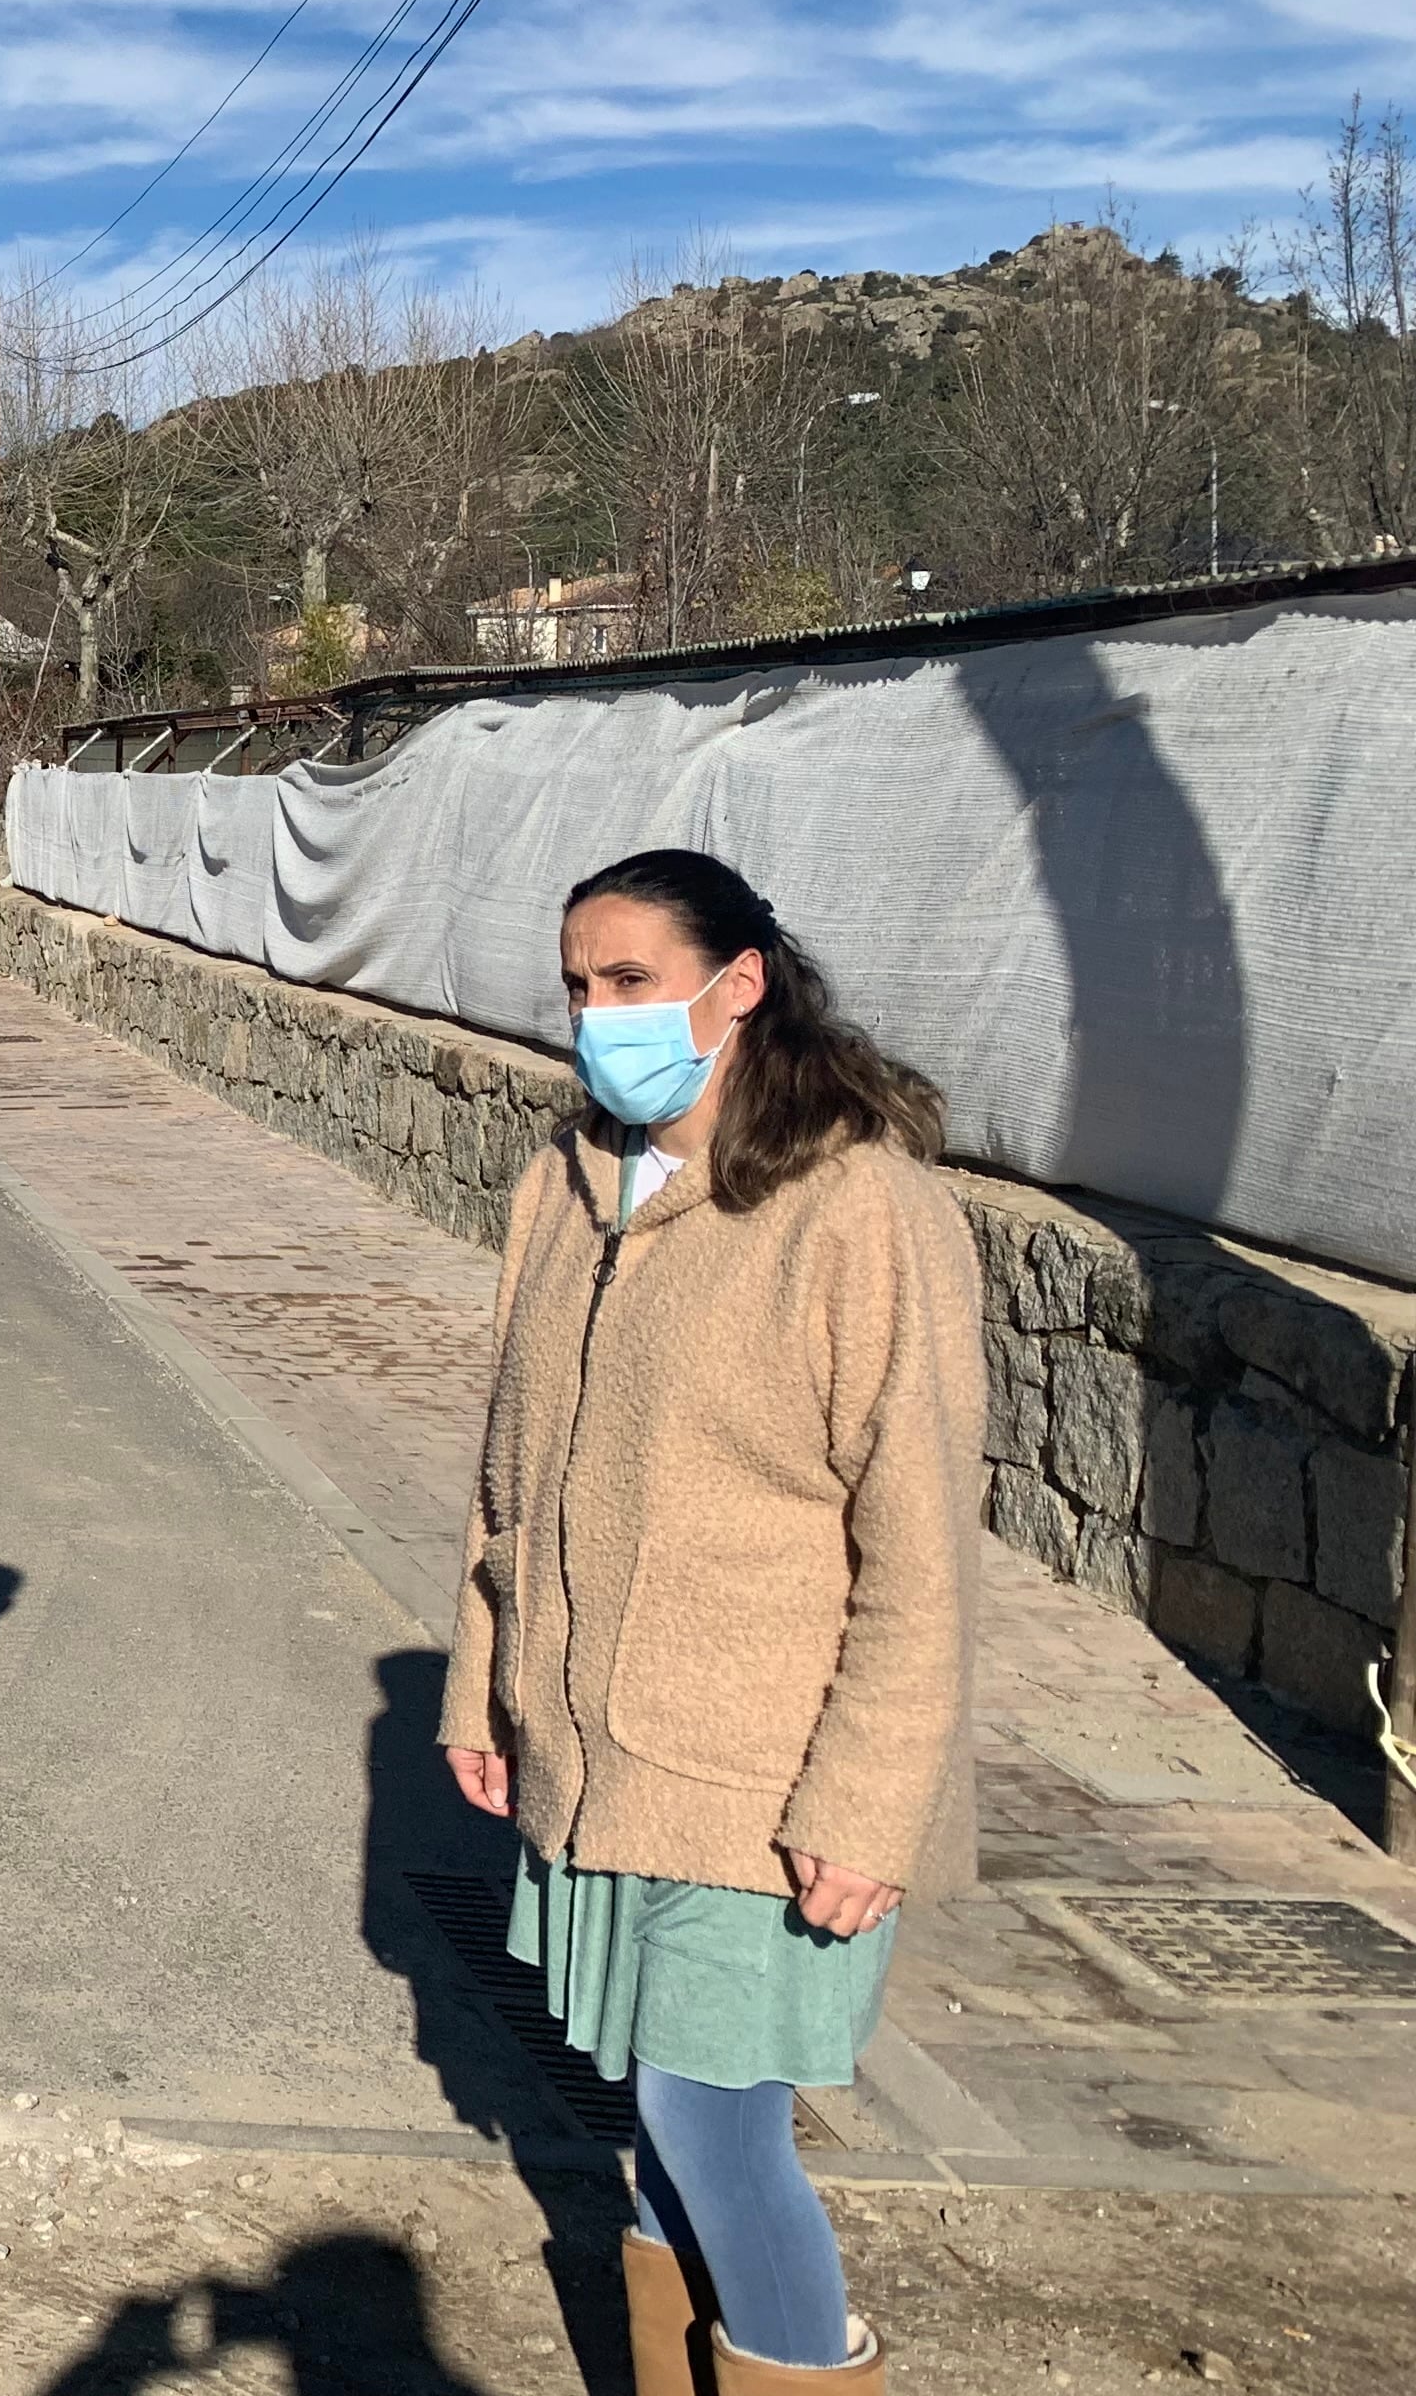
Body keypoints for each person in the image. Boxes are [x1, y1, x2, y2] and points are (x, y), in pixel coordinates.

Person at [443, 846, 982, 2396]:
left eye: (630, 981)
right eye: (577, 986)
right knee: (659, 2132)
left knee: (711, 2122)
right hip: (598, 1755)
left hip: (763, 1779)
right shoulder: (562, 1188)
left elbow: (923, 1550)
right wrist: (480, 1689)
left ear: (737, 986)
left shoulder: (862, 1213)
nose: (596, 1015)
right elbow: (506, 1474)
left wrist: (870, 1803)